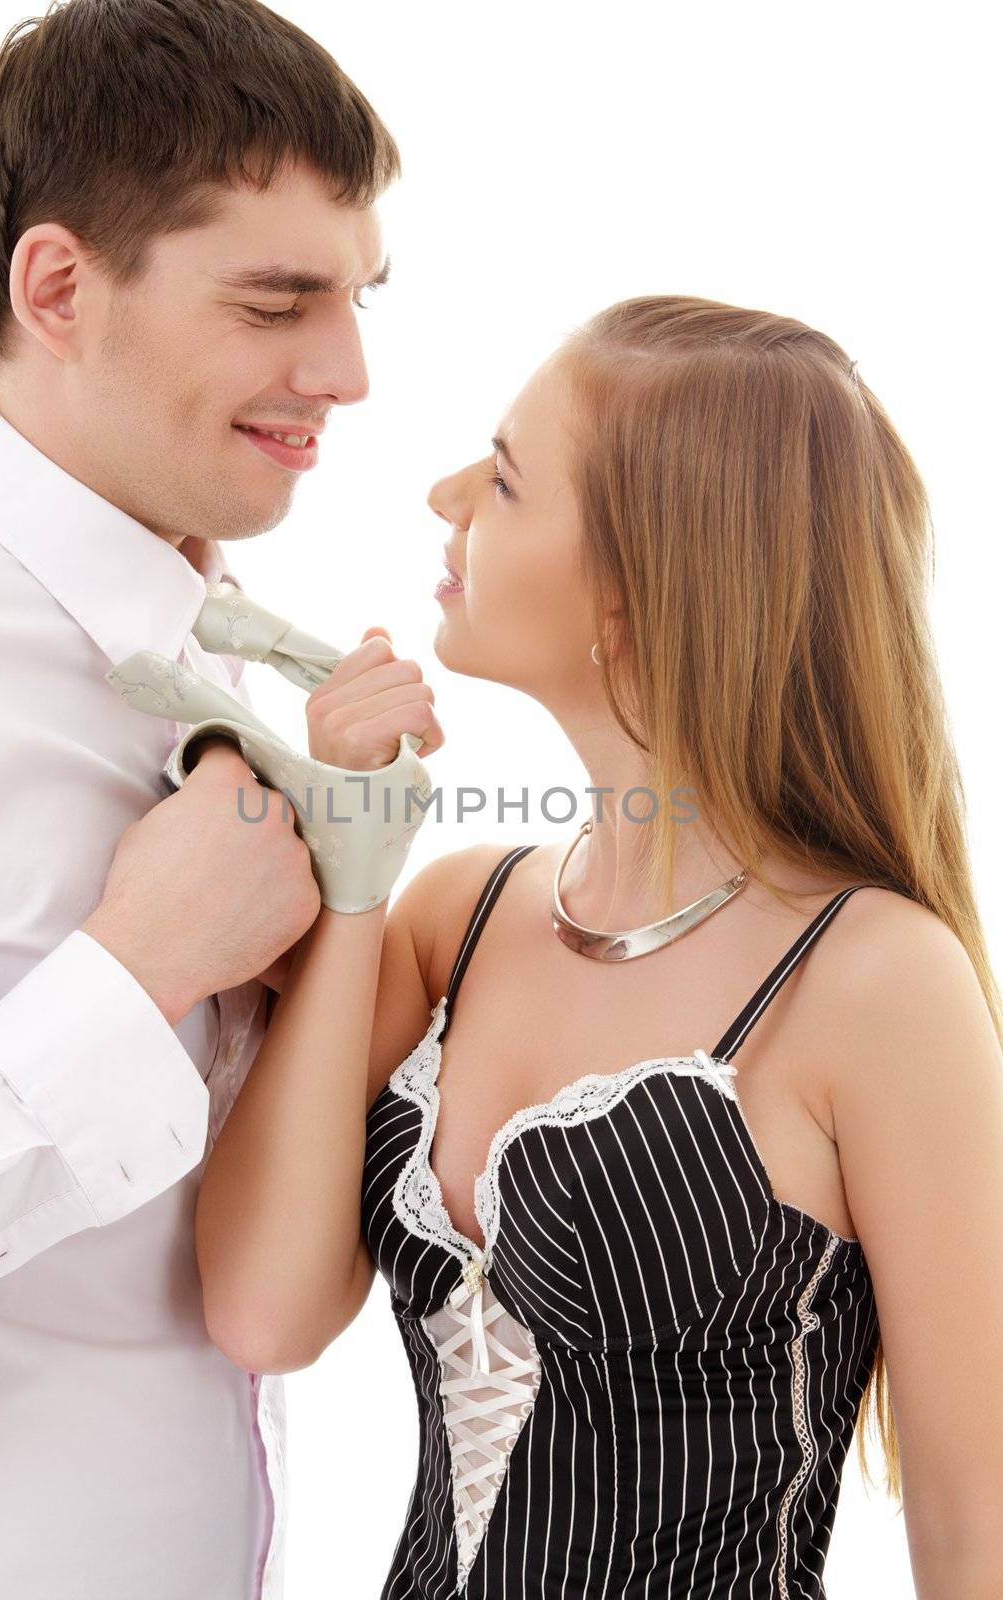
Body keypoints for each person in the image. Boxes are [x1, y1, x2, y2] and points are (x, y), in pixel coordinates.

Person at [194, 300, 1003, 1597]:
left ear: (633, 600)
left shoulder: (875, 982)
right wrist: (355, 873)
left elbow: (976, 1531)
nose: (446, 493)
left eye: (506, 479)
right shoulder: (452, 919)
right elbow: (262, 1312)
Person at [0, 3, 439, 1596]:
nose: (346, 373)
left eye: (356, 299)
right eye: (278, 301)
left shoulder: (226, 657)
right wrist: (137, 972)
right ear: (60, 287)